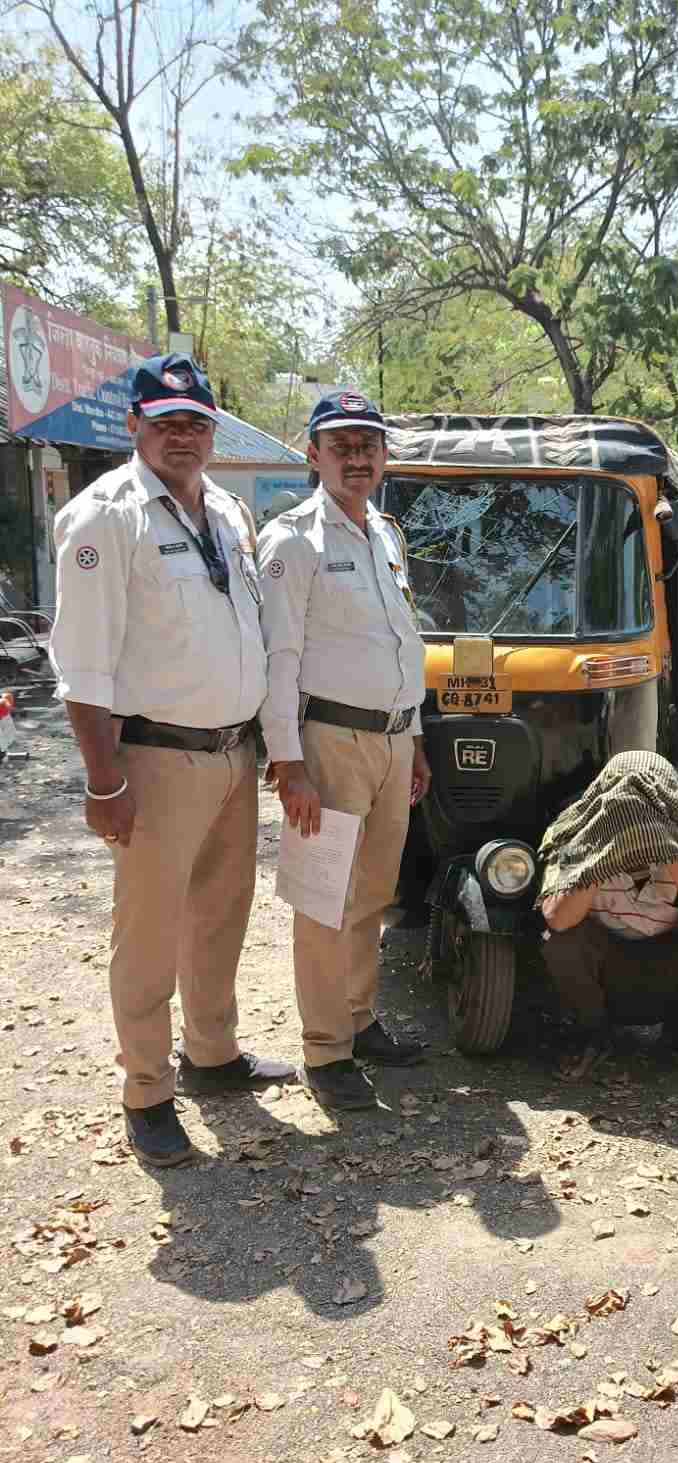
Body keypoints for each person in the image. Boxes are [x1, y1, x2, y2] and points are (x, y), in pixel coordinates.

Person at [48, 353, 293, 1168]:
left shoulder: (225, 509)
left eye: (195, 423)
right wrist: (104, 781)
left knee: (221, 913)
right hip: (154, 760)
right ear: (135, 426)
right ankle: (147, 1092)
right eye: (166, 422)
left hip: (232, 752)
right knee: (149, 933)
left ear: (212, 432)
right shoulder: (104, 517)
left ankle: (212, 1055)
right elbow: (83, 668)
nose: (182, 436)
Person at [256, 390, 431, 1114]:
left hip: (392, 741)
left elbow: (401, 643)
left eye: (368, 445)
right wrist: (288, 763)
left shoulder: (384, 533)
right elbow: (278, 659)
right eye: (342, 445)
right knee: (321, 896)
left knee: (372, 894)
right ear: (314, 454)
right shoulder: (293, 540)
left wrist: (414, 738)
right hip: (328, 742)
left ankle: (358, 1017)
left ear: (384, 455)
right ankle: (325, 1049)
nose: (357, 457)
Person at [537, 751, 678, 1081]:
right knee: (560, 940)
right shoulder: (578, 839)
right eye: (625, 799)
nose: (634, 810)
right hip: (603, 973)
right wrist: (601, 857)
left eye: (646, 799)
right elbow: (557, 919)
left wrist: (666, 848)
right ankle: (592, 1035)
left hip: (667, 967)